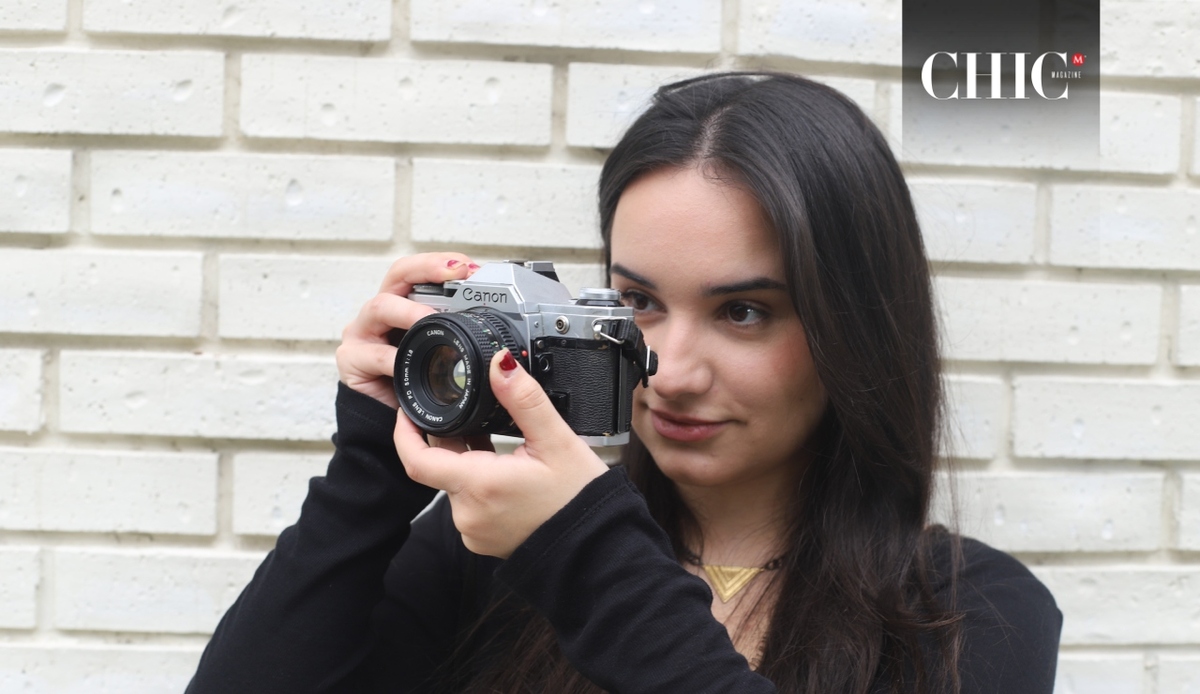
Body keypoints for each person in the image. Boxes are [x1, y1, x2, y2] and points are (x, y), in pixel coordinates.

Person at [187, 72, 1062, 693]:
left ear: (858, 326)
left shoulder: (970, 613)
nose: (669, 372)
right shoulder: (483, 558)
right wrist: (370, 472)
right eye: (638, 302)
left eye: (744, 312)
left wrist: (582, 549)